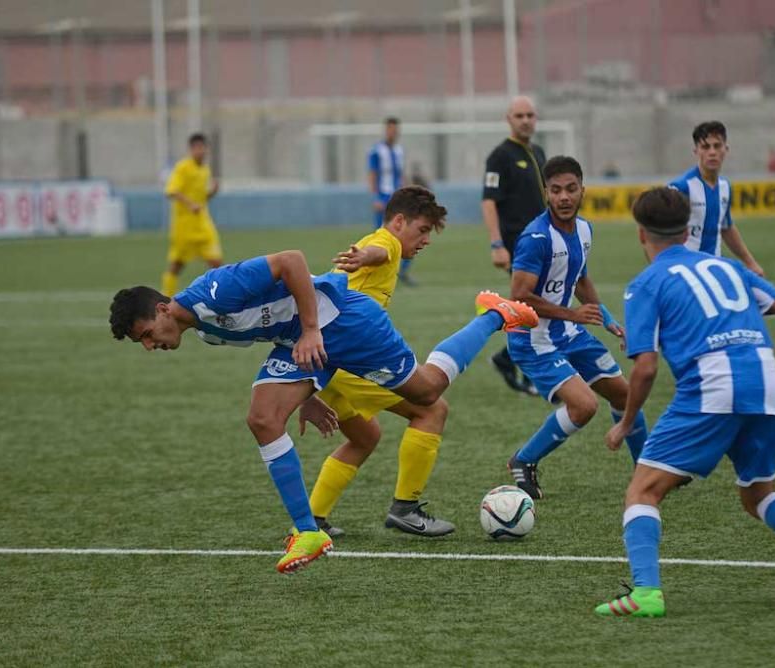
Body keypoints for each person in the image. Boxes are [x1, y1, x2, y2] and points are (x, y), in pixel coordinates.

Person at [109, 254, 537, 575]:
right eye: (142, 343)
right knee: (262, 418)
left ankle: (495, 314)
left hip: (344, 322)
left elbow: (291, 262)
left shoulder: (214, 291)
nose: (151, 346)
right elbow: (269, 332)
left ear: (163, 309)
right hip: (304, 343)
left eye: (147, 335)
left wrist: (312, 331)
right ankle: (308, 531)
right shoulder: (205, 331)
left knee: (427, 392)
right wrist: (306, 392)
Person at [594, 187, 775, 618]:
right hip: (767, 382)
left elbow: (645, 368)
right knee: (757, 494)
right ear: (686, 230)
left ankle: (645, 594)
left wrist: (627, 422)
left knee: (642, 490)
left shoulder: (646, 284)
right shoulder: (728, 267)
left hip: (712, 386)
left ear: (642, 234)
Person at [306, 186, 453, 538]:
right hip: (349, 361)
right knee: (432, 409)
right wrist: (364, 256)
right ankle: (406, 508)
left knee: (364, 436)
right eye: (422, 230)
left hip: (325, 363)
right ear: (399, 221)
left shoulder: (379, 243)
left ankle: (311, 520)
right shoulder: (384, 241)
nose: (425, 240)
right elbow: (378, 251)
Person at [505, 156, 648, 499]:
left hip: (568, 334)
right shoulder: (535, 239)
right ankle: (523, 461)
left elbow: (579, 276)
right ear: (546, 194)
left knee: (625, 395)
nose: (564, 197)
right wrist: (572, 315)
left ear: (583, 190)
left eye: (571, 189)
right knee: (584, 407)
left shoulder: (584, 229)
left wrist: (607, 318)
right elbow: (518, 297)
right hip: (533, 339)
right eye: (556, 191)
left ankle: (647, 470)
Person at [482, 95, 548, 396]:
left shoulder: (537, 152)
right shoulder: (500, 156)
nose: (525, 120)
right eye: (519, 115)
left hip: (543, 243)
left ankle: (508, 359)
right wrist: (497, 243)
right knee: (532, 305)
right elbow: (489, 201)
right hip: (517, 245)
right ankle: (533, 372)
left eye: (530, 115)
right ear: (508, 119)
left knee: (542, 307)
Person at [669, 121, 764, 276]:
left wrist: (750, 262)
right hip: (687, 272)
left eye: (717, 146)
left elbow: (726, 227)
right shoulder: (681, 187)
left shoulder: (725, 186)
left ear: (726, 149)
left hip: (714, 268)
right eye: (705, 147)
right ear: (696, 151)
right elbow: (660, 231)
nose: (712, 152)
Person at [161, 133, 222, 297]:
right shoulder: (183, 167)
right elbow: (171, 191)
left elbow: (202, 199)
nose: (199, 151)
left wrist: (212, 192)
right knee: (177, 265)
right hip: (184, 227)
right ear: (190, 150)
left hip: (203, 224)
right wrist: (190, 204)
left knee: (217, 263)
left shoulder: (205, 169)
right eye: (196, 148)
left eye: (202, 147)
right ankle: (166, 298)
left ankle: (218, 298)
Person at [368, 117, 414, 285]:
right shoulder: (376, 151)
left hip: (397, 197)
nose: (393, 133)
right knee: (381, 235)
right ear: (385, 130)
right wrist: (375, 197)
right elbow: (372, 174)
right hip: (383, 198)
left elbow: (401, 173)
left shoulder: (399, 150)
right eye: (390, 129)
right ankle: (376, 271)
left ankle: (402, 271)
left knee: (409, 232)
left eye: (395, 130)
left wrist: (408, 190)